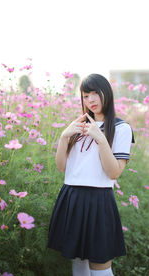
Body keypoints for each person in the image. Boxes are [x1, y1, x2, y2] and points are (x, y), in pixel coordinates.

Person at [47, 74, 135, 276]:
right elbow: (61, 167)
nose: (91, 100)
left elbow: (114, 173)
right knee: (78, 263)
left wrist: (101, 140)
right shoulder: (78, 126)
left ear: (108, 94)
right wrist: (63, 137)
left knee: (100, 266)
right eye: (86, 96)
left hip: (99, 200)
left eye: (96, 93)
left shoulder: (121, 128)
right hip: (72, 197)